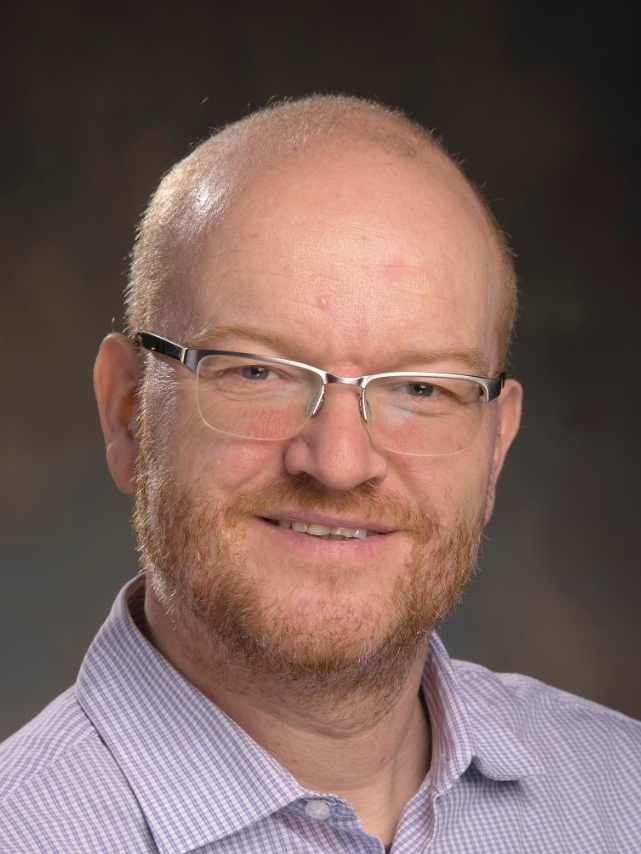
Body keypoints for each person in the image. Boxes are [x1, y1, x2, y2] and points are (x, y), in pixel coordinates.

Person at [1, 95, 639, 853]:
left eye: (421, 388)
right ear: (127, 411)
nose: (338, 463)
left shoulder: (621, 791)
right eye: (257, 371)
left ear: (496, 443)